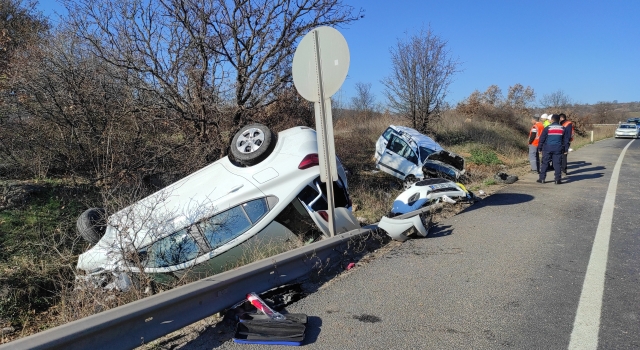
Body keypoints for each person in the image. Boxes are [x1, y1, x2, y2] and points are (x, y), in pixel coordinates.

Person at [537, 114, 568, 184]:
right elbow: (565, 140)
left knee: (545, 163)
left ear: (552, 120)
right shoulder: (563, 129)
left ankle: (542, 179)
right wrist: (566, 149)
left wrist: (540, 148)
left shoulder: (547, 128)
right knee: (557, 164)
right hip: (558, 148)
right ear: (559, 120)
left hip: (547, 148)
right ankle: (557, 179)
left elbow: (542, 139)